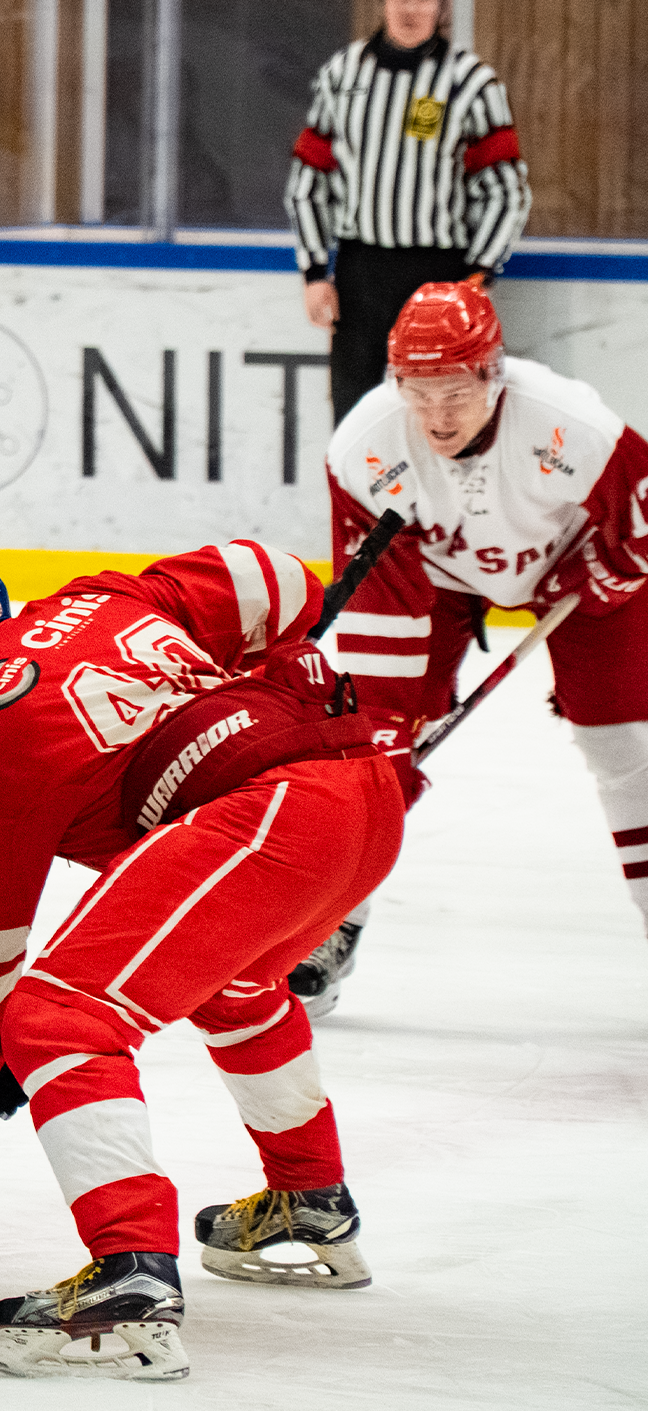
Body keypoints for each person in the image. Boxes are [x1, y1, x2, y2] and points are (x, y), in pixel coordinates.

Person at [0, 534, 403, 1381]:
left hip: (272, 816)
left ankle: (132, 1276)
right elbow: (275, 577)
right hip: (364, 796)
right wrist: (255, 664)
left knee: (59, 1016)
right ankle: (309, 1197)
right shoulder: (98, 599)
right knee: (234, 983)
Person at [297, 280, 648, 1014]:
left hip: (575, 566)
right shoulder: (365, 447)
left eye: (455, 391)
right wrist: (390, 722)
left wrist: (601, 576)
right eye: (417, 392)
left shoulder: (571, 425)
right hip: (435, 575)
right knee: (371, 754)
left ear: (494, 373)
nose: (436, 415)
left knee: (623, 744)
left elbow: (640, 522)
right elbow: (381, 595)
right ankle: (331, 926)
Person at [285, 0, 531, 426]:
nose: (409, 8)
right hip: (360, 273)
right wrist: (314, 271)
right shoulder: (343, 74)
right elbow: (309, 178)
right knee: (354, 420)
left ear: (442, 6)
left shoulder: (471, 82)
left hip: (439, 276)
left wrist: (478, 276)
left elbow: (507, 192)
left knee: (437, 420)